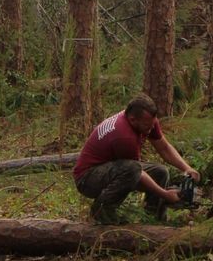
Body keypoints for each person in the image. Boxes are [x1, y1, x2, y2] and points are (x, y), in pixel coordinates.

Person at [73, 93, 200, 224]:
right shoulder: (124, 136)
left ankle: (154, 220)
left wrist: (187, 168)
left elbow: (164, 148)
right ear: (133, 120)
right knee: (132, 169)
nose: (151, 130)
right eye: (147, 127)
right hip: (87, 179)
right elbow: (137, 173)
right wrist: (165, 194)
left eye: (152, 125)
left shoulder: (146, 120)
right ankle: (102, 211)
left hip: (112, 167)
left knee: (160, 172)